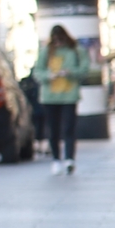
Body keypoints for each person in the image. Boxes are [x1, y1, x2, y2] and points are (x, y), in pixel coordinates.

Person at [32, 26, 87, 175]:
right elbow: (38, 71)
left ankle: (70, 158)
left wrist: (70, 73)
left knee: (69, 127)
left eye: (60, 40)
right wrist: (48, 76)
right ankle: (56, 159)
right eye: (55, 40)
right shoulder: (46, 51)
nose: (58, 43)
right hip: (50, 97)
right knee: (53, 129)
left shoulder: (75, 50)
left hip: (69, 95)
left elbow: (84, 68)